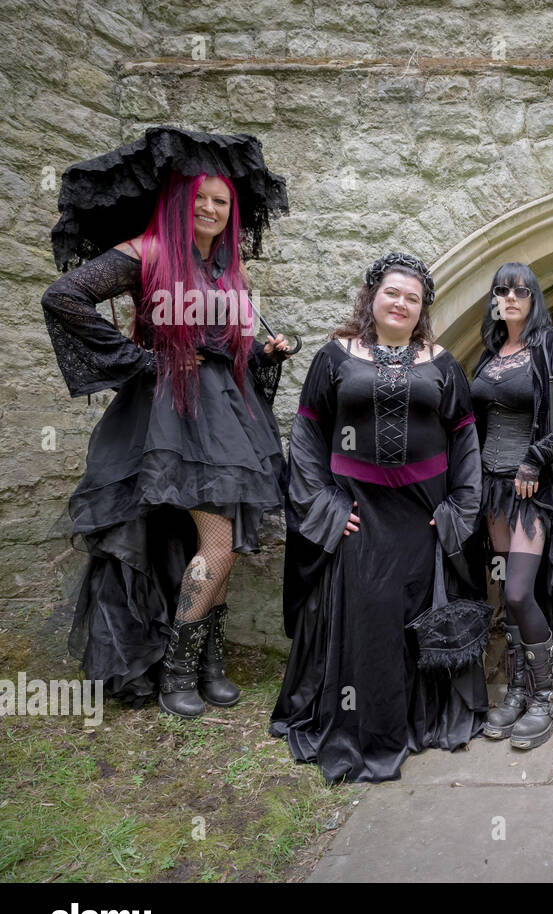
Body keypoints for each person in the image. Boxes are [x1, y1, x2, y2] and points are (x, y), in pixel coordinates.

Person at [43, 166, 290, 719]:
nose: (209, 209)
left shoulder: (230, 268)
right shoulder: (147, 251)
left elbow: (232, 346)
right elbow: (65, 296)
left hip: (225, 414)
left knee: (220, 539)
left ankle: (206, 665)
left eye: (221, 202)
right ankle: (180, 670)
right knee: (219, 542)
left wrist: (267, 350)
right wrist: (143, 360)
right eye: (199, 199)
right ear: (179, 203)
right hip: (173, 413)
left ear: (231, 213)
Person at [271, 252, 485, 783]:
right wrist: (322, 504)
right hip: (359, 516)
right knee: (370, 615)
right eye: (393, 293)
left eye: (413, 298)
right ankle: (368, 727)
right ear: (372, 297)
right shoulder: (335, 356)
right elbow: (307, 434)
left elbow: (465, 440)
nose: (401, 303)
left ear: (423, 310)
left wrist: (460, 507)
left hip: (421, 518)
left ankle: (418, 721)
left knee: (412, 616)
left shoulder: (441, 363)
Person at [472, 262, 553, 750]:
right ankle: (518, 689)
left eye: (522, 289)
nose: (512, 296)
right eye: (503, 289)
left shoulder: (551, 346)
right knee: (506, 592)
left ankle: (547, 696)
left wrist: (533, 459)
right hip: (491, 489)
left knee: (520, 591)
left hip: (530, 491)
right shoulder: (488, 355)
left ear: (534, 296)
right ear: (496, 299)